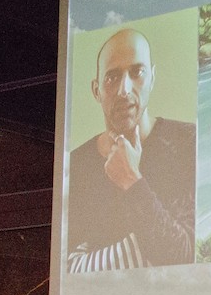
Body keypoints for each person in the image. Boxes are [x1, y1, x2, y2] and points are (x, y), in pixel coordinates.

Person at [67, 27, 195, 273]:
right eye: (112, 77)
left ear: (152, 78)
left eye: (137, 72)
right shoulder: (75, 166)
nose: (124, 89)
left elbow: (185, 256)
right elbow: (66, 270)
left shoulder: (188, 141)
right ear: (96, 90)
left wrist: (131, 180)